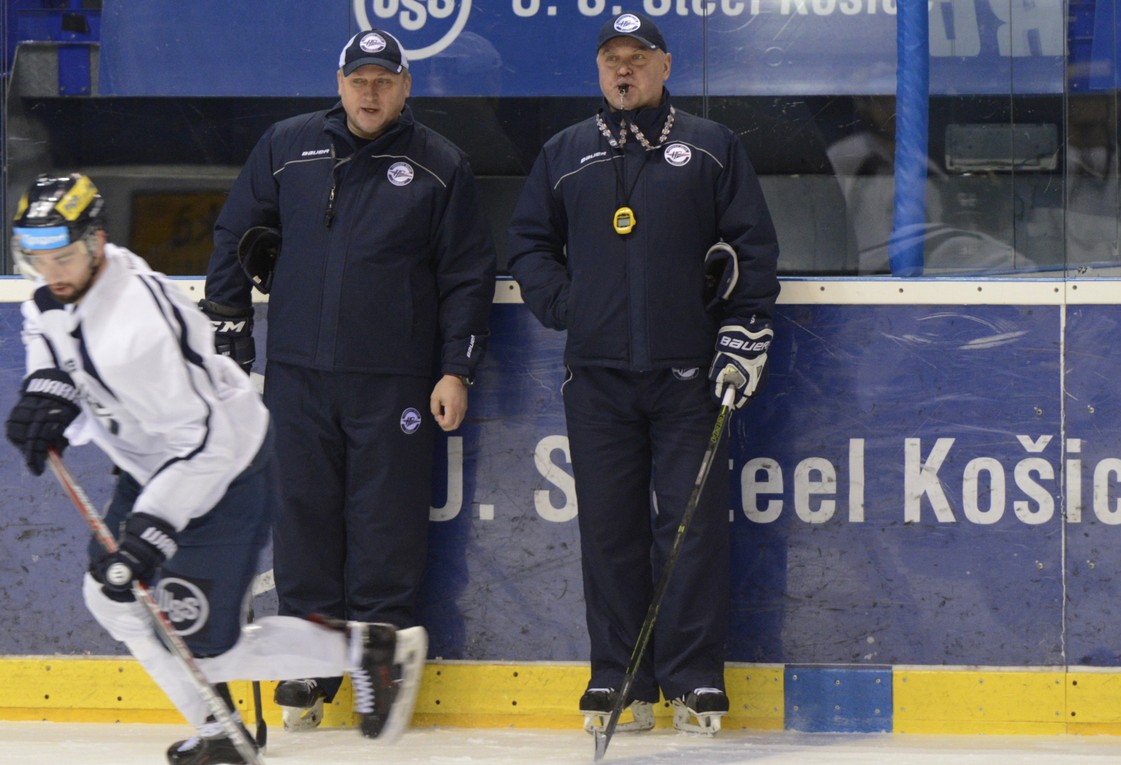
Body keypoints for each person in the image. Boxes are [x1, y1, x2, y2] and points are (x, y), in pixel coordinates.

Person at [3, 172, 428, 764]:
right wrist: (46, 389)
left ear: (97, 242)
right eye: (37, 257)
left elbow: (202, 444)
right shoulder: (65, 282)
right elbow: (47, 327)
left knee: (206, 647)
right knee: (111, 598)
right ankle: (218, 730)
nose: (51, 272)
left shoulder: (137, 330)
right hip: (153, 466)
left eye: (64, 256)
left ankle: (372, 651)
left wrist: (152, 531)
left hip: (222, 474)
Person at [199, 29, 496, 730]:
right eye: (359, 79)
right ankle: (307, 655)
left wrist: (456, 368)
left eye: (383, 80)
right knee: (301, 515)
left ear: (405, 87)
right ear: (339, 84)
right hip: (297, 372)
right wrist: (229, 318)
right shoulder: (287, 146)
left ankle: (378, 664)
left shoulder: (440, 165)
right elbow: (236, 232)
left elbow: (467, 278)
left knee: (383, 524)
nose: (370, 91)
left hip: (394, 381)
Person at [507, 13, 780, 736]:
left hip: (689, 372)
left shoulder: (713, 148)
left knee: (690, 526)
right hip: (597, 376)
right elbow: (529, 244)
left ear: (664, 66)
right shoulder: (565, 153)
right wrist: (568, 303)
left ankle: (693, 678)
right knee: (609, 530)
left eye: (636, 57)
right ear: (599, 71)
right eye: (610, 59)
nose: (622, 70)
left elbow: (751, 245)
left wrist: (745, 328)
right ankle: (618, 676)